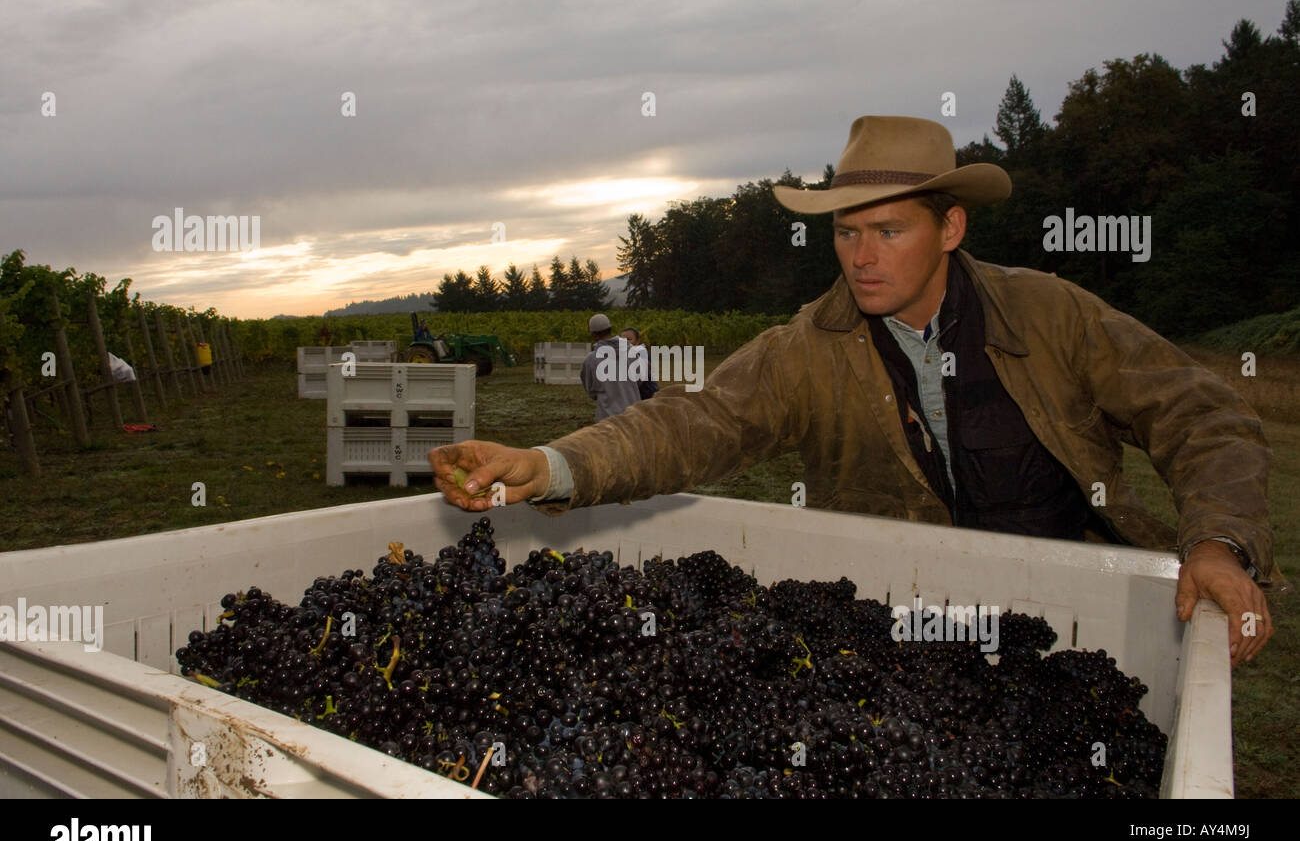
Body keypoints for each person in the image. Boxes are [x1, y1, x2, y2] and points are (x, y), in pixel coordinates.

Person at [432, 115, 1280, 665]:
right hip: (903, 635)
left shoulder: (1049, 313)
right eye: (845, 231)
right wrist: (550, 464)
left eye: (887, 230)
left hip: (1076, 628)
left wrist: (1216, 543)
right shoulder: (811, 346)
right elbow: (696, 422)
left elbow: (1201, 413)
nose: (860, 255)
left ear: (949, 227)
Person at [579, 314, 640, 422]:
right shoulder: (632, 352)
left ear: (594, 334)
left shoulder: (591, 359)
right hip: (634, 415)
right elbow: (640, 380)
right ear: (610, 329)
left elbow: (591, 391)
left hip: (608, 419)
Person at [621, 327, 659, 400]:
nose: (625, 342)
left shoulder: (641, 352)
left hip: (647, 392)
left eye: (629, 339)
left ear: (637, 341)